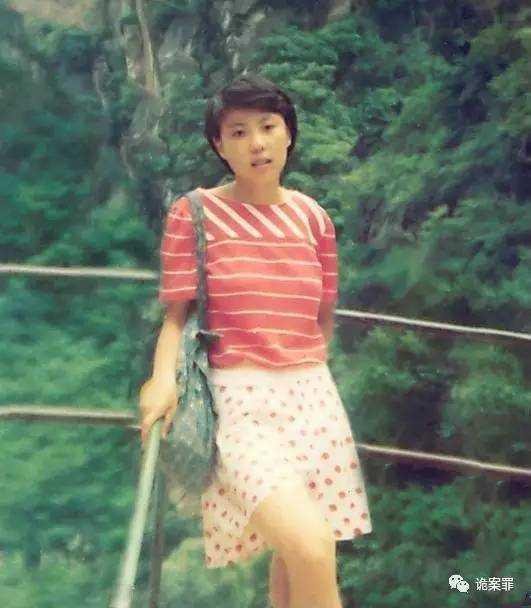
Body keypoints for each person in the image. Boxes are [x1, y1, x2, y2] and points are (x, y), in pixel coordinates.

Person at [139, 73, 372, 608]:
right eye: (238, 132)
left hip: (312, 399)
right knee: (311, 548)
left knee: (294, 562)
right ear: (219, 146)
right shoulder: (195, 213)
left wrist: (301, 370)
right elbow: (176, 316)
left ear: (288, 132)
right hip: (239, 402)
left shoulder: (313, 218)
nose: (257, 144)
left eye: (268, 127)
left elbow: (321, 316)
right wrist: (161, 381)